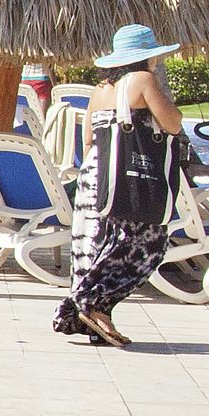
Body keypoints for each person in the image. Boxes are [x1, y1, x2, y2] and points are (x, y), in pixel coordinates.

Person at [57, 24, 188, 348]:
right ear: (149, 57)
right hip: (127, 179)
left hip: (94, 177)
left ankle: (98, 316)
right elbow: (172, 123)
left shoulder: (100, 88)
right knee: (148, 242)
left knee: (95, 244)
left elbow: (88, 139)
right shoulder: (143, 81)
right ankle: (87, 301)